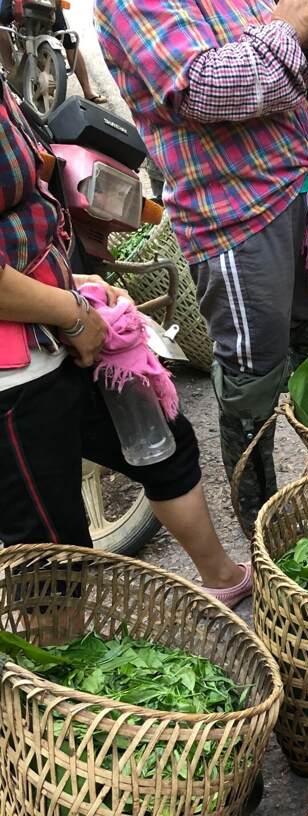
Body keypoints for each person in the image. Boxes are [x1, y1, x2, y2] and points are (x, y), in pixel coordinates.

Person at [94, 0, 308, 533]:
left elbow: (292, 74)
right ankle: (263, 524)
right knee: (251, 381)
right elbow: (212, 89)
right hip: (235, 218)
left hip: (297, 194)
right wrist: (285, 27)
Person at [0, 77, 251, 608]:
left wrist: (72, 284)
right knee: (53, 566)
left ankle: (223, 579)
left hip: (55, 320)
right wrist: (69, 314)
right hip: (15, 376)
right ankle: (51, 684)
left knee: (162, 445)